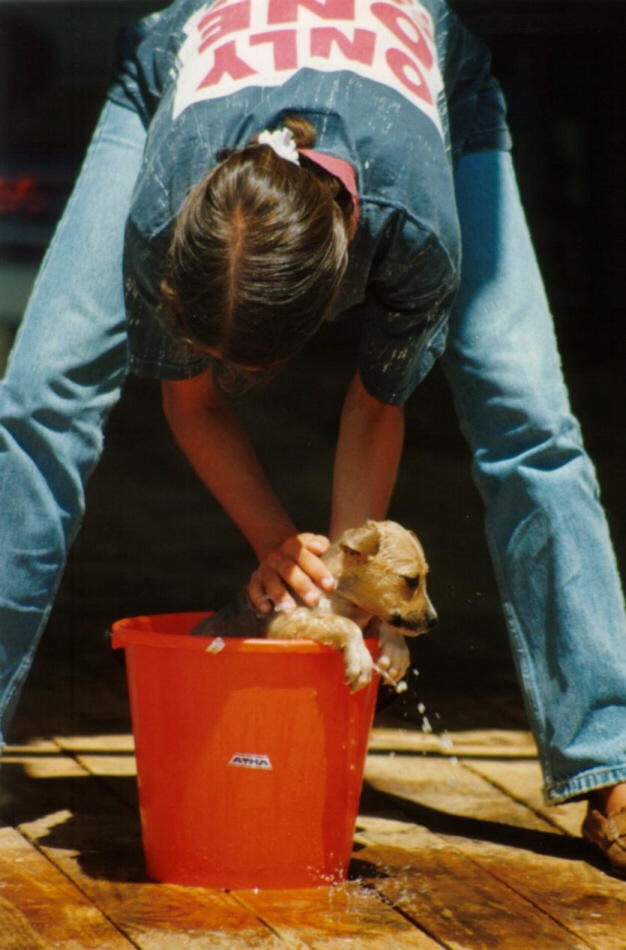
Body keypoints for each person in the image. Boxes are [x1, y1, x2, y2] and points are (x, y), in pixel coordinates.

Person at [1, 0, 625, 874]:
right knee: (38, 399)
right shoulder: (162, 219)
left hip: (433, 97)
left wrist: (340, 592)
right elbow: (191, 403)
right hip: (175, 75)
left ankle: (614, 762)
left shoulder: (414, 233)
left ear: (331, 303)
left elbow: (373, 406)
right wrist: (276, 545)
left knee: (529, 417)